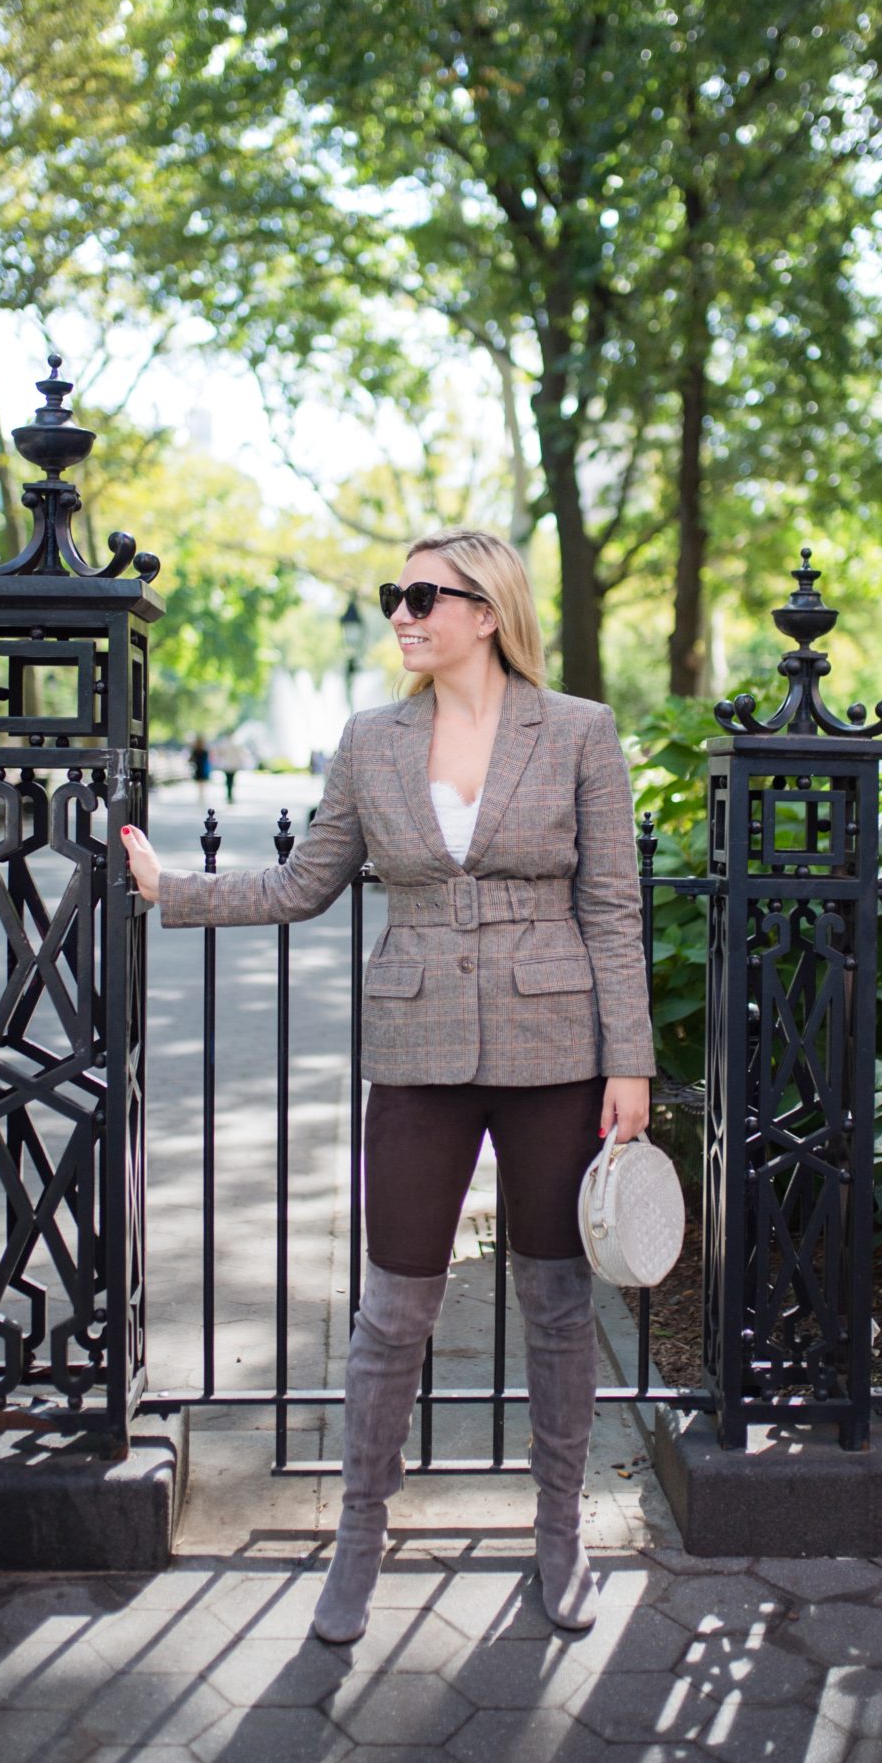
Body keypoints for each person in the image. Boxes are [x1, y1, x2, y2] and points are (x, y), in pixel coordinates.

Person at [121, 527, 653, 1644]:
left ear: (486, 609)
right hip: (415, 1052)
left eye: (421, 595)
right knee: (391, 1309)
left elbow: (611, 906)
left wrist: (630, 1061)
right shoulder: (370, 740)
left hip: (555, 1050)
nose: (401, 613)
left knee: (557, 1307)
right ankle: (358, 1535)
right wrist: (173, 886)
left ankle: (561, 1532)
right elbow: (309, 879)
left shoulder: (579, 732)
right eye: (392, 595)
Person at [188, 734, 212, 802]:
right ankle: (202, 794)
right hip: (202, 767)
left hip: (198, 767)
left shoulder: (195, 750)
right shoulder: (204, 751)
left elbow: (191, 759)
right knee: (202, 782)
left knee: (200, 782)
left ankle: (201, 794)